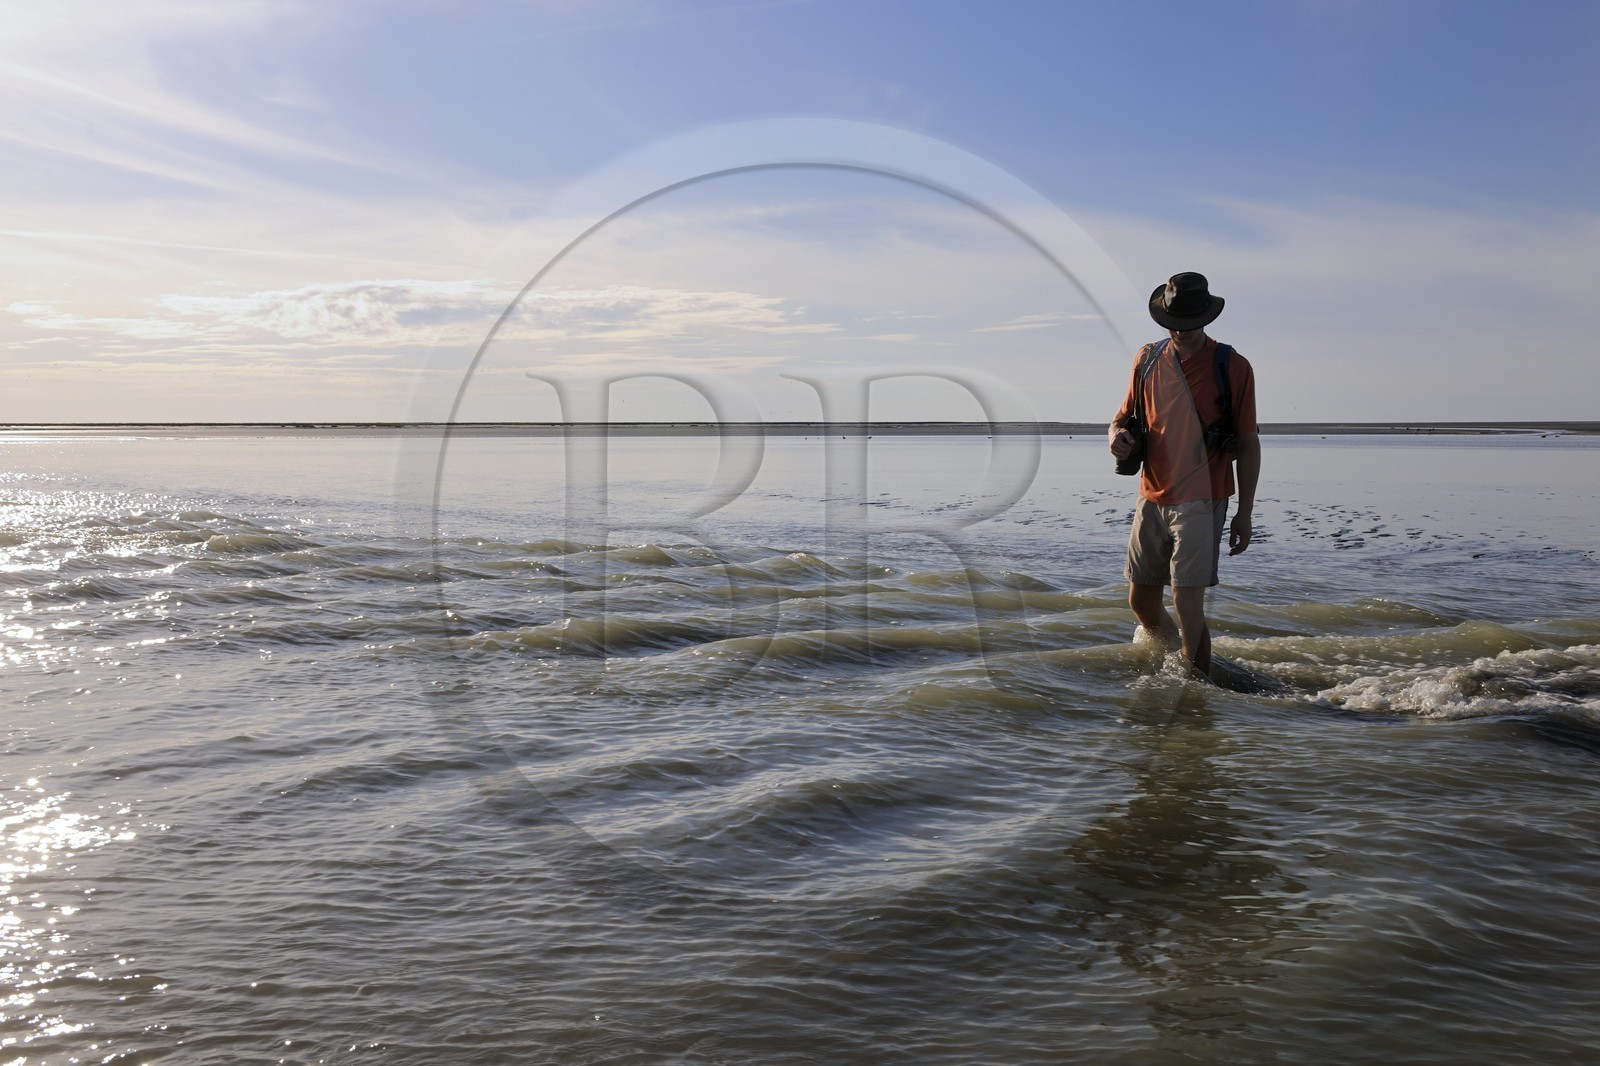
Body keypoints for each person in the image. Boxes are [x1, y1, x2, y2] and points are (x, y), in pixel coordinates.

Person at [1108, 272, 1259, 677]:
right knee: (1140, 601)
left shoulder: (1233, 366)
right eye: (1175, 323)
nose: (1182, 331)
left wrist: (1244, 513)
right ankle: (1177, 661)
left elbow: (1248, 444)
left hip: (1203, 497)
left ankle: (1195, 690)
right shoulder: (1147, 358)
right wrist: (1117, 437)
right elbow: (1121, 418)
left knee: (1186, 603)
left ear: (1206, 317)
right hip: (1151, 495)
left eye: (1191, 323)